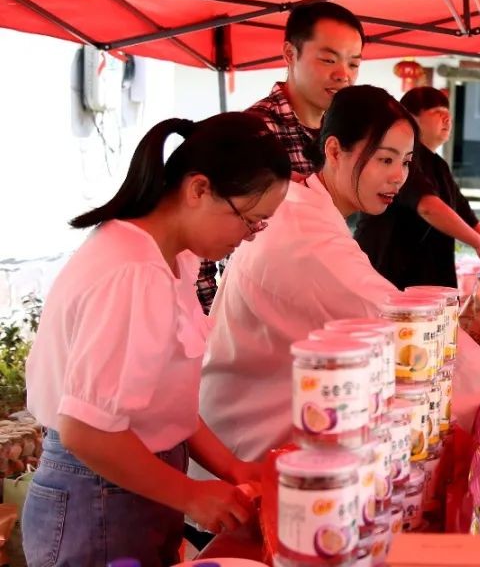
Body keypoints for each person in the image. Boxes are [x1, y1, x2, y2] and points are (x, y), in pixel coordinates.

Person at [196, 86, 480, 475]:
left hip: (255, 428)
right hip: (242, 453)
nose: (398, 177)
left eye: (406, 162)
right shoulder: (308, 233)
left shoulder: (306, 205)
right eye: (384, 159)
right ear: (334, 151)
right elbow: (404, 324)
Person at [22, 113, 291, 566]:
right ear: (199, 189)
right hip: (99, 490)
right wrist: (192, 495)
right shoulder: (132, 272)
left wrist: (232, 468)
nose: (247, 239)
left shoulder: (171, 258)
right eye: (250, 220)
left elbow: (167, 404)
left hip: (138, 482)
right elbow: (87, 431)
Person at [195, 1, 366, 312]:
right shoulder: (254, 134)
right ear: (290, 54)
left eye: (354, 64)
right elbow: (201, 249)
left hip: (322, 317)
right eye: (328, 59)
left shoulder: (339, 138)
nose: (343, 75)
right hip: (258, 323)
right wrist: (210, 328)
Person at [354, 86, 480, 288]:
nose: (447, 120)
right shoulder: (403, 159)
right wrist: (479, 245)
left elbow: (466, 214)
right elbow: (428, 206)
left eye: (448, 114)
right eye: (438, 113)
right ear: (412, 118)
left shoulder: (438, 164)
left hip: (425, 271)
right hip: (390, 268)